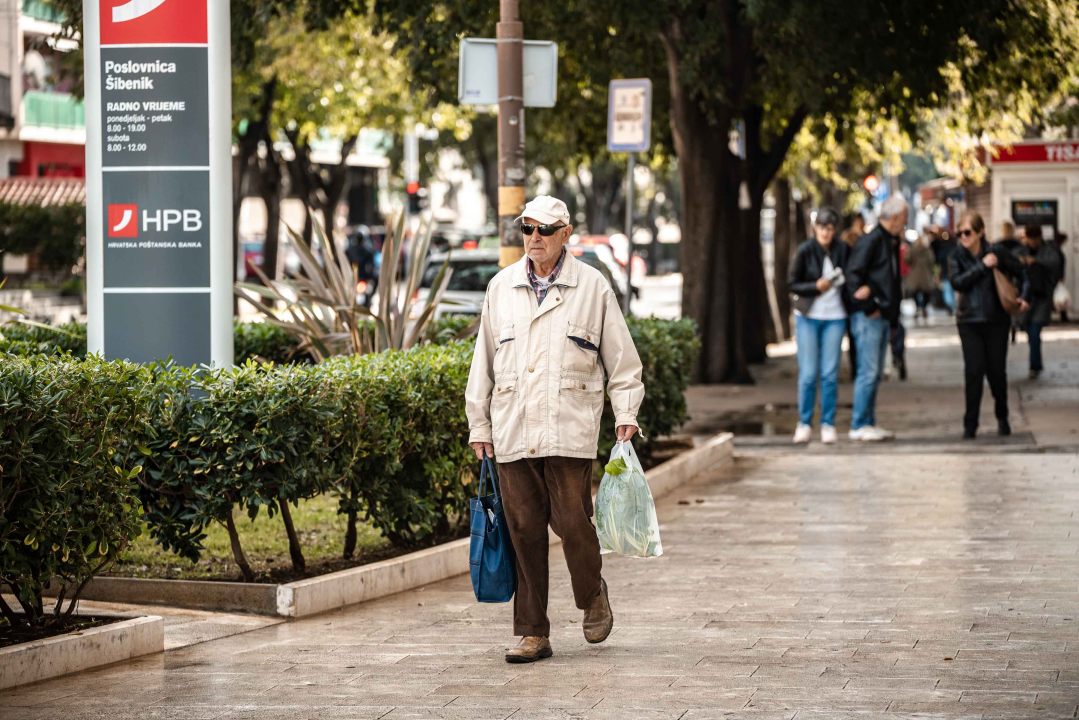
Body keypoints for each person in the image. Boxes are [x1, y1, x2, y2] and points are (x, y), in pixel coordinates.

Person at [465, 195, 645, 664]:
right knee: (523, 529)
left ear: (566, 233)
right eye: (527, 229)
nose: (535, 238)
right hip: (512, 428)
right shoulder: (501, 287)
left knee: (572, 523)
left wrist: (626, 412)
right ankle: (532, 632)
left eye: (545, 229)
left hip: (569, 426)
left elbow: (622, 361)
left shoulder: (593, 287)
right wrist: (478, 424)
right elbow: (481, 362)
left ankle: (592, 594)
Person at [948, 211, 1029, 439]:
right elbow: (957, 282)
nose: (963, 237)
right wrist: (982, 266)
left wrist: (1023, 296)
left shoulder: (997, 252)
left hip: (996, 321)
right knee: (973, 372)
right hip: (969, 322)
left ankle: (1002, 417)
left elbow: (1023, 271)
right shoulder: (956, 256)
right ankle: (970, 424)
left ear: (980, 232)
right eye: (960, 233)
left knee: (996, 373)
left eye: (967, 232)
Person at [846, 195, 907, 442]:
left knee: (874, 372)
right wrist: (869, 305)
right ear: (893, 218)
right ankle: (859, 423)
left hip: (880, 316)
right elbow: (853, 277)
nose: (905, 223)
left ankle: (867, 422)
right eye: (903, 218)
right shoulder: (872, 241)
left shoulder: (888, 241)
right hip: (868, 317)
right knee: (868, 372)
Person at [788, 206, 850, 445]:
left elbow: (852, 276)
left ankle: (828, 423)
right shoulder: (805, 250)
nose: (825, 232)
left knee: (829, 374)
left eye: (830, 228)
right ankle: (804, 422)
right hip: (808, 317)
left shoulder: (842, 250)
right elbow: (792, 284)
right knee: (808, 373)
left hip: (835, 317)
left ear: (835, 230)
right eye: (822, 228)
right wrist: (816, 287)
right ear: (815, 228)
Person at [1018, 224, 1064, 379]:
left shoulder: (1049, 251)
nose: (1029, 242)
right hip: (1027, 297)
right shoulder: (1022, 250)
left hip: (1042, 296)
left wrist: (1035, 261)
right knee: (1030, 331)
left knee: (1035, 329)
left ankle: (1034, 364)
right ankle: (1036, 363)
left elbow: (1055, 265)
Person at [907, 233, 937, 325]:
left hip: (916, 275)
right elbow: (932, 262)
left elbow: (908, 260)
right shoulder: (928, 251)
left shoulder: (913, 250)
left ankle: (918, 307)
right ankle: (923, 307)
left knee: (915, 292)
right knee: (926, 293)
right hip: (925, 275)